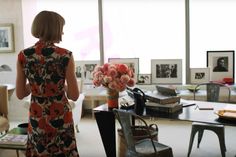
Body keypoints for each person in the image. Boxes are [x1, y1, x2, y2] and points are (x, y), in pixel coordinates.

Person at [15, 10, 80, 157]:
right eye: (61, 29)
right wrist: (59, 86)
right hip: (61, 116)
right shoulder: (65, 55)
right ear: (54, 29)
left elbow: (20, 94)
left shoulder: (23, 56)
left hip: (37, 116)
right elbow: (74, 95)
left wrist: (36, 85)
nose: (62, 33)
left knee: (40, 151)